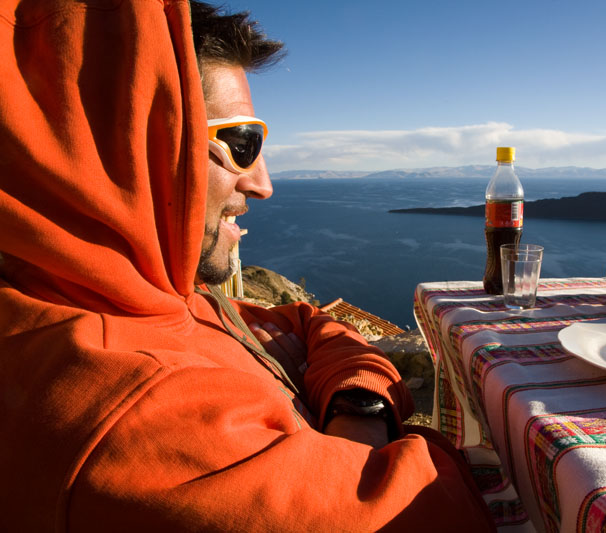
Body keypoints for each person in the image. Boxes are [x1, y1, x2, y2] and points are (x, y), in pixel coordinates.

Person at [0, 0, 496, 530]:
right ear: (125, 148)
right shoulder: (133, 418)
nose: (263, 184)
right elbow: (441, 508)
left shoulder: (147, 302)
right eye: (241, 143)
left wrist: (357, 408)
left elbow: (309, 324)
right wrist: (365, 441)